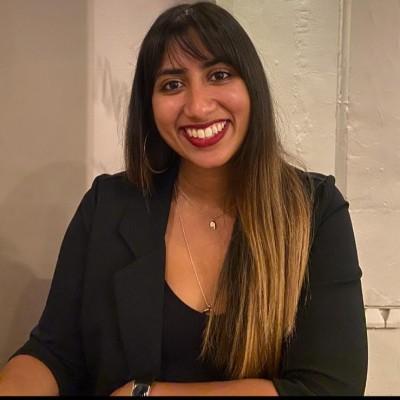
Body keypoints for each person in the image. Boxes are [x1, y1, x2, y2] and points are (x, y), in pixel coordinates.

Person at [0, 2, 367, 396]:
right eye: (172, 84)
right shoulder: (108, 205)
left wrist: (147, 393)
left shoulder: (314, 210)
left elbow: (330, 388)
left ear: (252, 86)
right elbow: (54, 354)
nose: (197, 106)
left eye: (219, 75)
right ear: (149, 105)